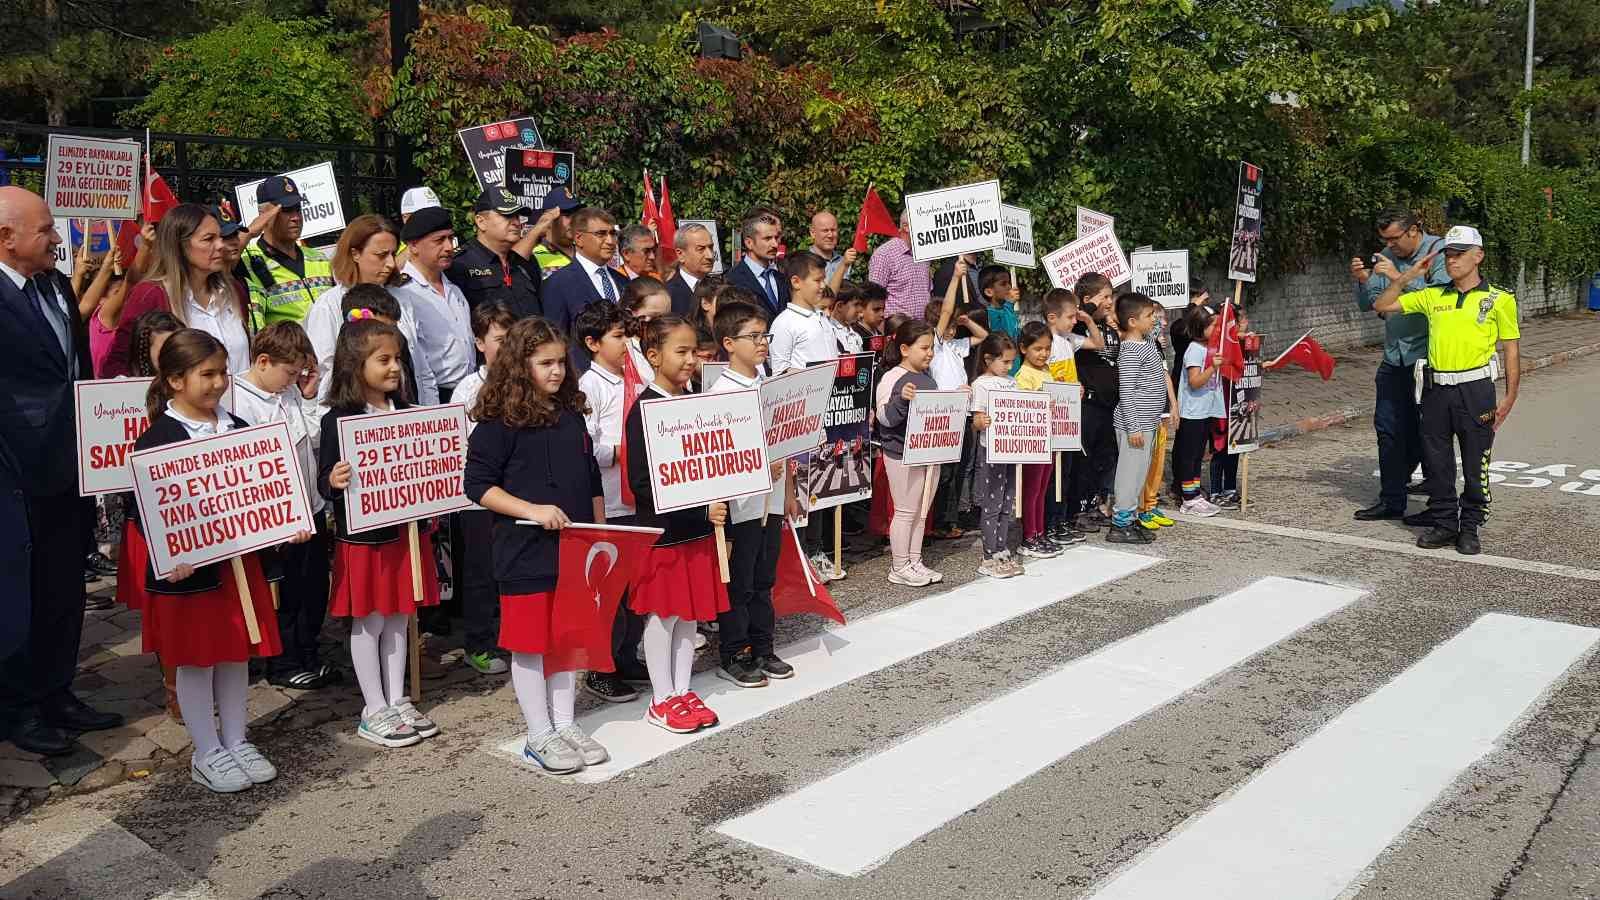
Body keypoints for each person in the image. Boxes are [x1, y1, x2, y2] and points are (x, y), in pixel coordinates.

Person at [131, 329, 303, 791]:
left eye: (223, 372)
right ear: (174, 381)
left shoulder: (238, 429)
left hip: (237, 568)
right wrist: (172, 552)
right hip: (189, 576)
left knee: (233, 654)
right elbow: (143, 509)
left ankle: (236, 738)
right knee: (195, 659)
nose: (218, 382)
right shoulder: (157, 438)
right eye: (206, 374)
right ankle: (206, 751)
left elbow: (262, 490)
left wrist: (287, 521)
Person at [0, 186, 122, 756]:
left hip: (69, 466)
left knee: (63, 582)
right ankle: (18, 707)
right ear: (7, 238)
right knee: (19, 592)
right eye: (46, 229)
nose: (57, 238)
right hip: (15, 473)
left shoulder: (50, 284)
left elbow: (72, 363)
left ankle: (57, 689)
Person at [463, 316, 609, 774]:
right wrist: (531, 509)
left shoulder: (570, 415)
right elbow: (478, 486)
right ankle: (538, 732)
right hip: (523, 550)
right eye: (544, 363)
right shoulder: (496, 422)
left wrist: (601, 530)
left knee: (565, 640)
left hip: (574, 547)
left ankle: (565, 723)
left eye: (561, 362)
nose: (556, 371)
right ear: (518, 365)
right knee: (530, 644)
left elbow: (589, 477)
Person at [318, 318, 442, 749]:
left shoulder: (409, 414)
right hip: (364, 540)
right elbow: (323, 482)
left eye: (398, 360)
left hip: (403, 534)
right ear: (356, 365)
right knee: (369, 621)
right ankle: (373, 707)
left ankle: (397, 697)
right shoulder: (338, 420)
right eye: (383, 360)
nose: (394, 368)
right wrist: (333, 480)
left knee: (399, 618)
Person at [1372, 225, 1518, 556]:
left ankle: (1469, 527)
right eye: (1449, 254)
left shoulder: (1499, 298)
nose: (1452, 261)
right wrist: (1407, 275)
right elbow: (1382, 304)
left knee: (1473, 464)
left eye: (1460, 254)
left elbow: (1511, 349)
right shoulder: (1433, 295)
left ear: (1478, 256)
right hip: (1437, 391)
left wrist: (1509, 397)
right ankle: (1444, 523)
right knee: (1437, 464)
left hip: (1475, 390)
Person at [623, 315, 731, 733]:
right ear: (653, 356)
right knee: (662, 615)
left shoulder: (695, 401)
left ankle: (683, 689)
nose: (690, 360)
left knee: (690, 614)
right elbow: (642, 483)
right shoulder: (644, 410)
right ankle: (662, 697)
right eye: (680, 352)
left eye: (693, 352)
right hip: (664, 534)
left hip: (699, 530)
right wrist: (698, 508)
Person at [229, 323, 337, 689]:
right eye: (289, 372)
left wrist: (306, 397)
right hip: (278, 518)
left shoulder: (289, 393)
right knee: (284, 591)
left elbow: (314, 437)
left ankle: (308, 649)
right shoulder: (238, 400)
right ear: (263, 361)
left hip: (311, 506)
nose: (294, 379)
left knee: (313, 587)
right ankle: (283, 659)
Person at [709, 300, 798, 687]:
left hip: (773, 499)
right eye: (754, 336)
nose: (763, 343)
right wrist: (760, 468)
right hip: (743, 505)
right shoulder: (721, 392)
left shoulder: (769, 385)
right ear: (729, 343)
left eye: (766, 336)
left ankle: (764, 646)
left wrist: (790, 489)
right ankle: (735, 651)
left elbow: (787, 440)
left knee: (764, 578)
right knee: (740, 581)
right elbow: (720, 455)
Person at [573, 301, 653, 702]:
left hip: (640, 496)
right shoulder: (589, 386)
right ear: (592, 343)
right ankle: (600, 668)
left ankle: (626, 656)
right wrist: (629, 450)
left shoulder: (637, 379)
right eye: (618, 337)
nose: (627, 344)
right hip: (611, 500)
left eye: (627, 335)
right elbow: (589, 447)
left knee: (637, 587)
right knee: (609, 592)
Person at [1351, 208, 1449, 522]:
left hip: (1430, 358)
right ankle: (1392, 500)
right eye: (1385, 240)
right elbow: (1373, 303)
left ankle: (1439, 506)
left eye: (1395, 238)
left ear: (1414, 230)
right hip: (1395, 357)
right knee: (1388, 430)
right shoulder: (1384, 256)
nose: (1389, 246)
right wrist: (1362, 280)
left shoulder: (1438, 253)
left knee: (1431, 433)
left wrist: (1398, 277)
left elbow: (1441, 302)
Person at [304, 214, 439, 407]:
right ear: (355, 254)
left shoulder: (402, 299)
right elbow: (324, 374)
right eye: (381, 255)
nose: (391, 263)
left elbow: (420, 367)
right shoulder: (328, 306)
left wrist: (430, 412)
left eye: (393, 254)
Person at [450, 303, 517, 677]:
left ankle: (509, 635)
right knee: (481, 573)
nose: (506, 349)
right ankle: (478, 642)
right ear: (479, 342)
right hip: (477, 498)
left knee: (510, 568)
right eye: (498, 340)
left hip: (516, 495)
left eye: (512, 340)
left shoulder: (524, 380)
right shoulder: (468, 388)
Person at [106, 204, 251, 376]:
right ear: (180, 245)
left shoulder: (234, 290)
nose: (220, 245)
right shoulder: (150, 295)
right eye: (208, 239)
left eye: (220, 237)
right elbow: (116, 366)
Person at [875, 318, 943, 586]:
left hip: (929, 452)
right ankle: (899, 565)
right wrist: (901, 399)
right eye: (924, 347)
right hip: (901, 453)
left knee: (922, 511)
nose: (929, 353)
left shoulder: (928, 378)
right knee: (905, 510)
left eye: (931, 348)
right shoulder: (891, 378)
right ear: (905, 348)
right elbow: (885, 418)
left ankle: (915, 561)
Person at [925, 261, 987, 541]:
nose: (952, 330)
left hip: (961, 414)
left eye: (953, 327)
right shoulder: (935, 345)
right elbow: (947, 309)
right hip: (944, 415)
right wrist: (955, 279)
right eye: (949, 325)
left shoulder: (953, 346)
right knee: (946, 473)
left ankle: (951, 519)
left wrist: (966, 321)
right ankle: (939, 521)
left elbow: (983, 337)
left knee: (960, 468)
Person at [1107, 293, 1176, 544]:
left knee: (1139, 473)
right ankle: (1120, 523)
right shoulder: (1129, 351)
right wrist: (1134, 426)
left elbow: (1160, 326)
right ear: (1133, 321)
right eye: (1149, 316)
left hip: (1148, 422)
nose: (1154, 319)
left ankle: (1131, 516)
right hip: (1133, 425)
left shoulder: (1146, 342)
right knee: (1129, 474)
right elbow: (1126, 390)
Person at [397, 207, 474, 401]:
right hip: (433, 397)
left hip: (468, 392)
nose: (448, 247)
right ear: (413, 246)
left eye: (450, 238)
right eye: (439, 240)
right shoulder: (403, 293)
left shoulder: (454, 289)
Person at [1043, 288, 1101, 543]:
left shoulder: (1069, 340)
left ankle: (1062, 519)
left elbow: (1097, 344)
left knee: (1066, 470)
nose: (1074, 320)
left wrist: (1088, 320)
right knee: (1052, 474)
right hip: (1052, 416)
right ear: (1053, 317)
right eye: (1070, 317)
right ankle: (1049, 523)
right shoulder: (1046, 342)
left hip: (1069, 417)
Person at [239, 176, 336, 328]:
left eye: (298, 209)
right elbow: (221, 260)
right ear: (263, 215)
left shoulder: (319, 259)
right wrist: (250, 232)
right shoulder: (246, 260)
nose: (296, 217)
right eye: (286, 210)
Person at [970, 332, 1023, 578]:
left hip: (1011, 448)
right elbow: (975, 419)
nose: (1009, 367)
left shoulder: (1013, 382)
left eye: (1012, 362)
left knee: (1007, 499)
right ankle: (989, 551)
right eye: (1005, 362)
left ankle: (1002, 546)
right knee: (992, 500)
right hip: (991, 450)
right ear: (988, 359)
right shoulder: (981, 384)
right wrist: (981, 421)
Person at [542, 207, 629, 356]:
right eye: (601, 234)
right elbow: (555, 339)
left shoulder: (623, 281)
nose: (610, 241)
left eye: (613, 234)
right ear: (579, 239)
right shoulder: (558, 284)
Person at [447, 187, 543, 319]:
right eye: (507, 215)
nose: (516, 222)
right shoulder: (459, 264)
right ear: (481, 222)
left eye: (517, 216)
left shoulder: (526, 262)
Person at [1071, 273, 1120, 527]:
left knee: (1105, 455)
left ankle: (1097, 502)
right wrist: (1089, 306)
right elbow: (1078, 311)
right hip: (1087, 403)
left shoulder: (1107, 326)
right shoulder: (1078, 324)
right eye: (1106, 297)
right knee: (1085, 458)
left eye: (1111, 296)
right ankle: (1080, 507)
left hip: (1108, 404)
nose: (1110, 302)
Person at [1013, 321, 1065, 558]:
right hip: (1033, 441)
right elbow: (1024, 404)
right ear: (1024, 348)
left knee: (1043, 488)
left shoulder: (1046, 371)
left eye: (1047, 348)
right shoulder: (1023, 374)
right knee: (1032, 489)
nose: (1044, 353)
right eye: (1038, 349)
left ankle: (1039, 532)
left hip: (1050, 438)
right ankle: (1029, 535)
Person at [1174, 307, 1225, 518]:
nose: (1216, 329)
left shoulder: (1209, 348)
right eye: (1212, 325)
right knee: (1189, 456)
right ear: (1200, 327)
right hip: (1192, 412)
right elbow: (1195, 382)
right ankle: (1188, 499)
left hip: (1205, 410)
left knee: (1197, 456)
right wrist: (1212, 368)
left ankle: (1195, 494)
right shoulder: (1195, 349)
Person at [768, 252, 837, 375]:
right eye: (817, 280)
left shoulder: (822, 317)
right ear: (796, 282)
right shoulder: (784, 323)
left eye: (824, 279)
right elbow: (779, 372)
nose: (823, 285)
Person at [867, 208, 932, 319]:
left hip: (923, 328)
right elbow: (874, 298)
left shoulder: (923, 253)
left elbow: (928, 291)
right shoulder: (885, 254)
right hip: (897, 329)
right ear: (906, 226)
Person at [726, 210, 788, 318]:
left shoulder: (782, 276)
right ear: (749, 243)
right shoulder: (733, 280)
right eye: (767, 238)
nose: (775, 244)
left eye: (777, 238)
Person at [666, 223, 716, 318]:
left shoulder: (719, 287)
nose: (710, 255)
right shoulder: (668, 295)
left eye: (711, 247)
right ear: (681, 254)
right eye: (700, 249)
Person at [530, 188, 582, 279]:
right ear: (548, 218)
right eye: (567, 215)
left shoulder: (585, 252)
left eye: (577, 215)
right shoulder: (535, 255)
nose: (574, 221)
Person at [807, 210, 857, 293]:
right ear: (812, 233)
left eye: (833, 230)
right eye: (825, 230)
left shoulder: (844, 261)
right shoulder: (804, 261)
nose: (830, 235)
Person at [978, 265, 1020, 342]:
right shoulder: (990, 314)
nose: (1009, 287)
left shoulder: (1008, 309)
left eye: (1009, 283)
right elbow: (1007, 336)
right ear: (989, 292)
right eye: (1003, 284)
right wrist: (1009, 303)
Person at [829, 281, 865, 354]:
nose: (860, 309)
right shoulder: (829, 332)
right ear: (840, 306)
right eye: (856, 304)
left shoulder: (856, 336)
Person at [855, 281, 888, 353]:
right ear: (860, 310)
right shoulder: (855, 336)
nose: (882, 314)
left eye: (883, 309)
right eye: (876, 309)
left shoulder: (879, 333)